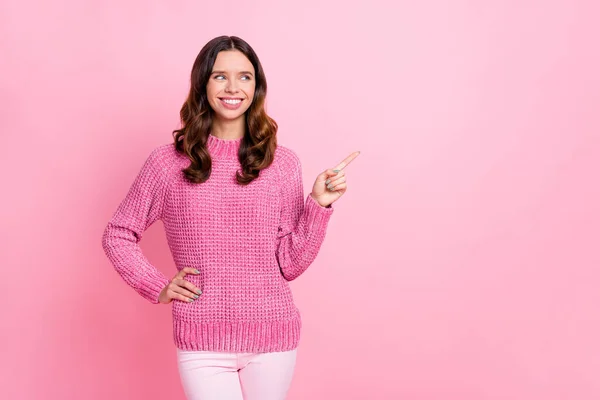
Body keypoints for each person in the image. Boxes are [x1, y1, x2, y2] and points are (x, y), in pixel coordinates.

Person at [101, 35, 359, 400]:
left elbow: (289, 264)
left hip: (273, 337)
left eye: (245, 77)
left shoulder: (282, 164)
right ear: (202, 84)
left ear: (257, 87)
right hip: (201, 338)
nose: (233, 87)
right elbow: (118, 234)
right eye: (220, 76)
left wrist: (318, 206)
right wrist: (156, 285)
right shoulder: (167, 164)